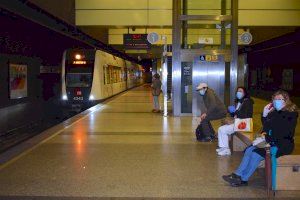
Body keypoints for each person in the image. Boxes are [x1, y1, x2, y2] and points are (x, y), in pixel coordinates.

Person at [222, 90, 298, 187]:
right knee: (249, 149)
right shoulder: (274, 112)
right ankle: (237, 175)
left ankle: (244, 179)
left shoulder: (291, 114)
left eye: (279, 99)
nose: (276, 101)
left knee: (255, 154)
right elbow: (266, 128)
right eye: (275, 99)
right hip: (271, 141)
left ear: (286, 100)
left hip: (283, 145)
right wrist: (264, 115)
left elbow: (283, 132)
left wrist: (266, 136)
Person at [217, 87, 254, 156]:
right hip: (239, 123)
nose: (238, 93)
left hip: (244, 124)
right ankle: (223, 147)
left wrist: (235, 111)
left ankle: (226, 150)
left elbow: (246, 115)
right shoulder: (239, 102)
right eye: (237, 91)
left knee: (223, 129)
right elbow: (236, 114)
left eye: (240, 91)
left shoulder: (248, 102)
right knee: (220, 129)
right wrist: (232, 112)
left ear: (244, 93)